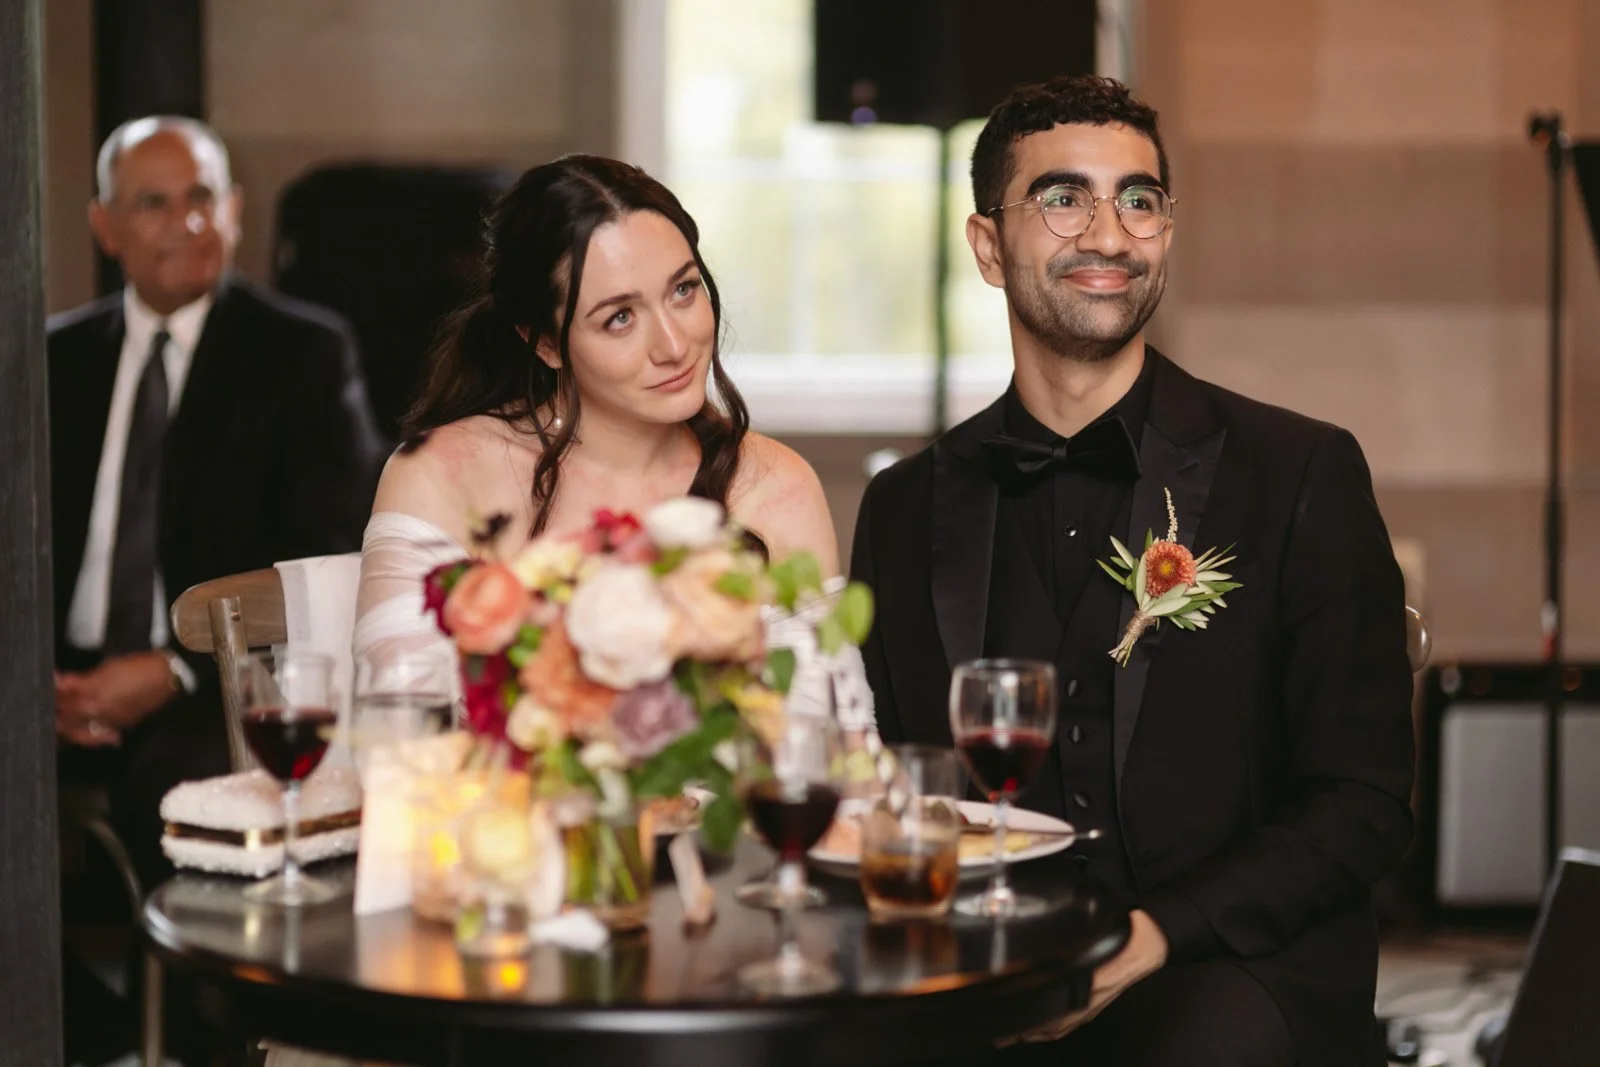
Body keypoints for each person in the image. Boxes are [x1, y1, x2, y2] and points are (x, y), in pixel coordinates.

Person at [851, 76, 1414, 1067]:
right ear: (988, 246)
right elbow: (889, 780)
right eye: (1063, 198)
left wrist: (1152, 934)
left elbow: (1359, 800)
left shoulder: (1299, 472)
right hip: (983, 964)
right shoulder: (902, 508)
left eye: (1139, 199)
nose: (1108, 232)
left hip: (1225, 964)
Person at [50, 118, 384, 1065]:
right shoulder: (52, 358)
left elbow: (328, 549)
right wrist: (42, 687)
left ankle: (205, 1045)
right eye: (153, 202)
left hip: (219, 676)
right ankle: (93, 1030)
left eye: (203, 197)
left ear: (234, 211)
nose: (185, 222)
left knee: (181, 790)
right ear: (105, 226)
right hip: (61, 676)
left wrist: (169, 668)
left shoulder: (304, 352)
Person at [355, 154, 843, 683]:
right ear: (544, 343)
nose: (674, 346)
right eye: (620, 318)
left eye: (683, 289)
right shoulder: (440, 476)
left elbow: (830, 730)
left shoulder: (777, 486)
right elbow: (400, 729)